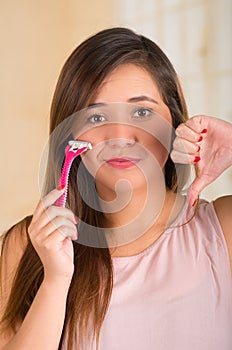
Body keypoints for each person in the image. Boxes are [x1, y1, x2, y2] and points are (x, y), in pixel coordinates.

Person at [0, 27, 231, 350]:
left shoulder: (222, 228)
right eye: (96, 117)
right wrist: (55, 280)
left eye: (142, 112)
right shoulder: (27, 245)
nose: (121, 135)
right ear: (70, 136)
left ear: (176, 124)